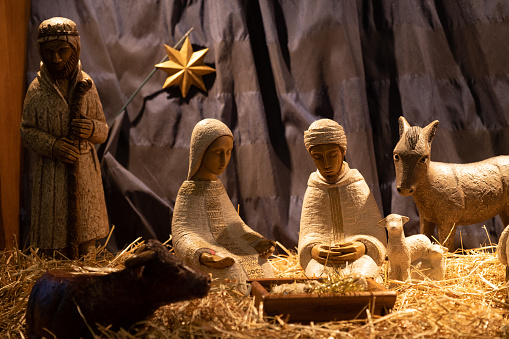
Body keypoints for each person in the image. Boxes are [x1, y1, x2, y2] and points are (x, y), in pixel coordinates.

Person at [21, 17, 109, 257]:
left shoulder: (87, 85)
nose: (56, 59)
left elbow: (103, 130)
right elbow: (26, 132)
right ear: (41, 51)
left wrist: (90, 128)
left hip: (84, 171)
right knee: (54, 237)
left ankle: (87, 266)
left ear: (75, 48)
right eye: (49, 52)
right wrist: (54, 145)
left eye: (62, 50)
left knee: (86, 235)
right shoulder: (37, 91)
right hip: (52, 174)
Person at [172, 119, 275, 287]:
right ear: (201, 151)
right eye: (218, 152)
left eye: (228, 152)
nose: (224, 160)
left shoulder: (217, 187)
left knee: (263, 265)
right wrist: (202, 254)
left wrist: (258, 242)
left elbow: (234, 226)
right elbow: (182, 234)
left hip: (229, 248)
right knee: (230, 272)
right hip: (208, 252)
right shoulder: (188, 191)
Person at [298, 119, 387, 279]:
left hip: (357, 258)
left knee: (361, 276)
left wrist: (362, 247)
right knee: (319, 278)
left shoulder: (356, 183)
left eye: (332, 155)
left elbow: (374, 233)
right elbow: (308, 233)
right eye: (318, 157)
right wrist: (314, 250)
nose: (326, 164)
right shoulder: (314, 188)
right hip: (324, 261)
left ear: (343, 151)